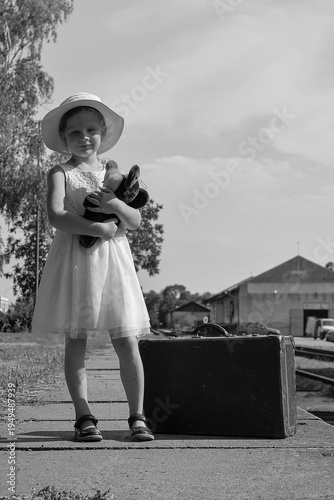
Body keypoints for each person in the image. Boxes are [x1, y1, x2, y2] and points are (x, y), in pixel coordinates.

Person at [31, 92, 154, 442]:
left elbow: (135, 221)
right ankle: (84, 415)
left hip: (113, 263)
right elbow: (57, 215)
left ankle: (138, 416)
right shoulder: (60, 172)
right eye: (75, 133)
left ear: (102, 131)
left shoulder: (114, 175)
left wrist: (115, 203)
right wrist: (97, 227)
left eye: (90, 130)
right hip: (75, 260)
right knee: (76, 340)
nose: (84, 138)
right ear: (64, 139)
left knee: (127, 339)